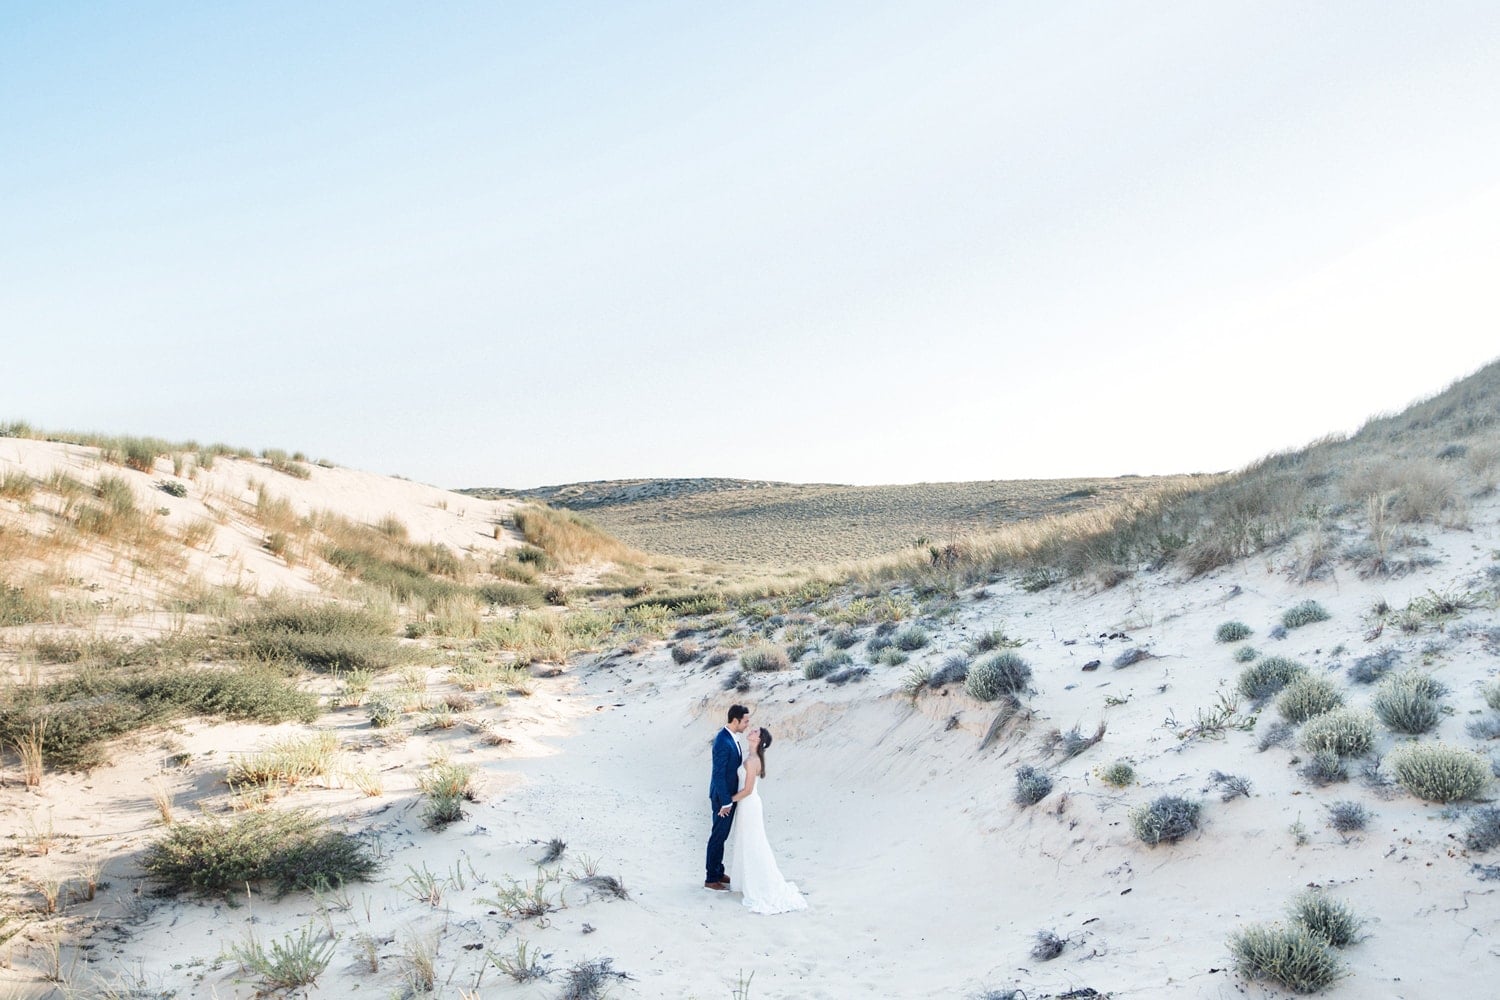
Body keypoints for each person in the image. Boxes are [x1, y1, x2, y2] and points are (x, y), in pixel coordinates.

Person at [726, 727, 807, 914]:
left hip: (749, 804)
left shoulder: (753, 760)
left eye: (755, 731)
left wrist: (728, 801)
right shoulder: (751, 756)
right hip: (747, 805)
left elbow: (747, 790)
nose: (751, 731)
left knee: (754, 843)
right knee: (747, 841)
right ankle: (744, 879)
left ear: (759, 739)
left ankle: (759, 882)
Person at [705, 704, 750, 890]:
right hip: (722, 798)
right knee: (718, 836)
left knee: (722, 836)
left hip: (728, 796)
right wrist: (726, 801)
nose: (747, 724)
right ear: (735, 720)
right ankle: (711, 879)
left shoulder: (733, 738)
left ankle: (718, 870)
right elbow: (718, 774)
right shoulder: (723, 741)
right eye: (745, 721)